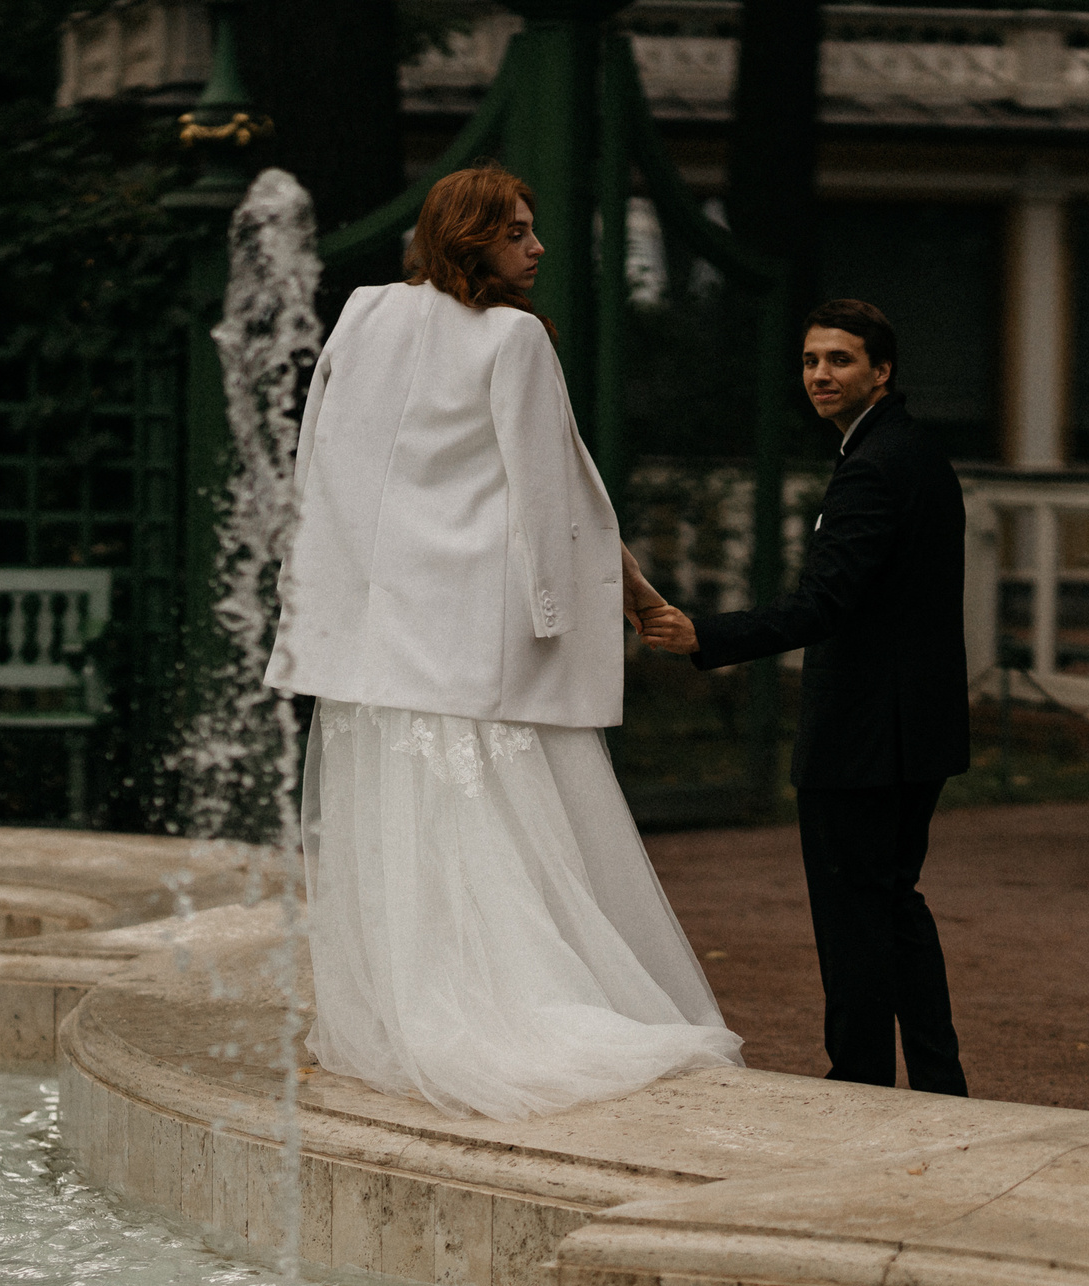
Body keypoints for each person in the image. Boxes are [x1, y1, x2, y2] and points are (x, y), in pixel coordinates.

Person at [264, 164, 743, 1121]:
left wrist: (319, 592)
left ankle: (406, 1015)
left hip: (377, 638)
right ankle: (505, 1010)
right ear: (472, 238)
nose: (538, 248)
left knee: (401, 836)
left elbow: (319, 461)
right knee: (501, 836)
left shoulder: (362, 315)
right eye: (518, 232)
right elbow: (557, 494)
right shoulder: (513, 336)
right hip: (469, 634)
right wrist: (621, 604)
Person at [640, 301, 971, 1097]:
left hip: (865, 737)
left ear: (881, 371)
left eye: (840, 361)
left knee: (857, 919)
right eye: (811, 361)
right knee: (894, 906)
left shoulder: (873, 465)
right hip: (912, 728)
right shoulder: (916, 451)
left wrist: (704, 636)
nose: (820, 375)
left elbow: (824, 604)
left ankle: (857, 1083)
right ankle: (938, 1083)